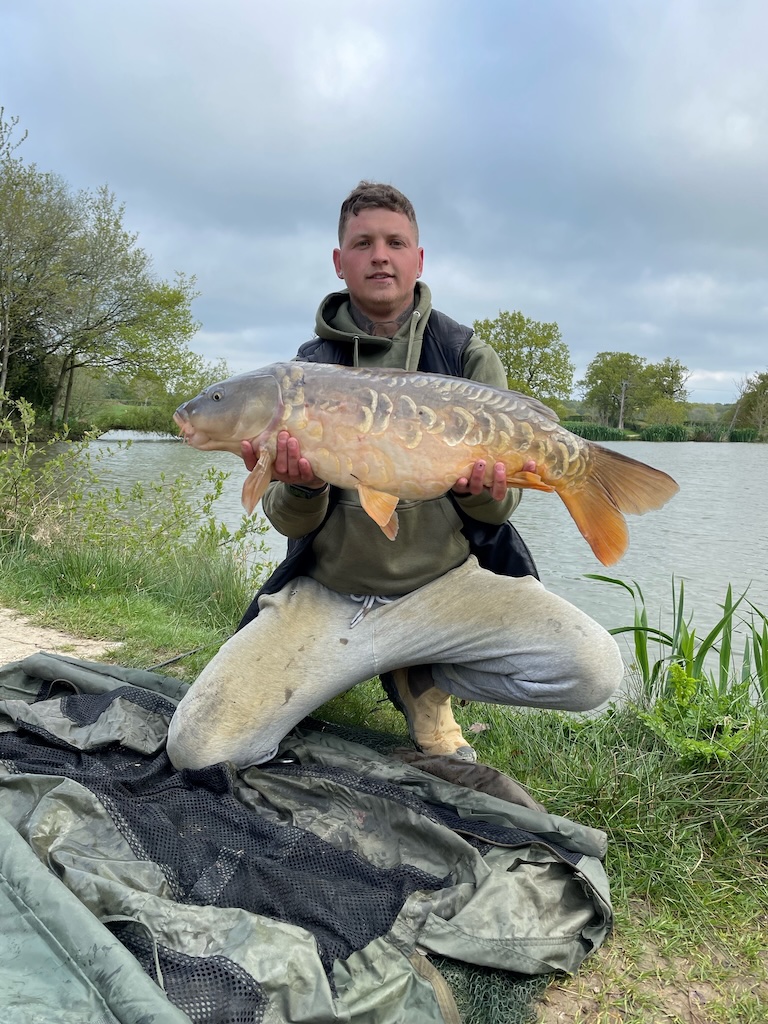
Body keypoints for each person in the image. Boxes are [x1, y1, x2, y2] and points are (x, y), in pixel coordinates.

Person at [167, 182, 624, 771]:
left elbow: (498, 512)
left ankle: (424, 675)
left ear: (418, 259)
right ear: (340, 262)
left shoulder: (465, 355)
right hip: (329, 595)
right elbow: (289, 521)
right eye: (363, 243)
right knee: (198, 749)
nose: (380, 256)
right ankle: (343, 669)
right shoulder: (305, 371)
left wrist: (483, 492)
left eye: (395, 243)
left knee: (593, 669)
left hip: (445, 590)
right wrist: (304, 484)